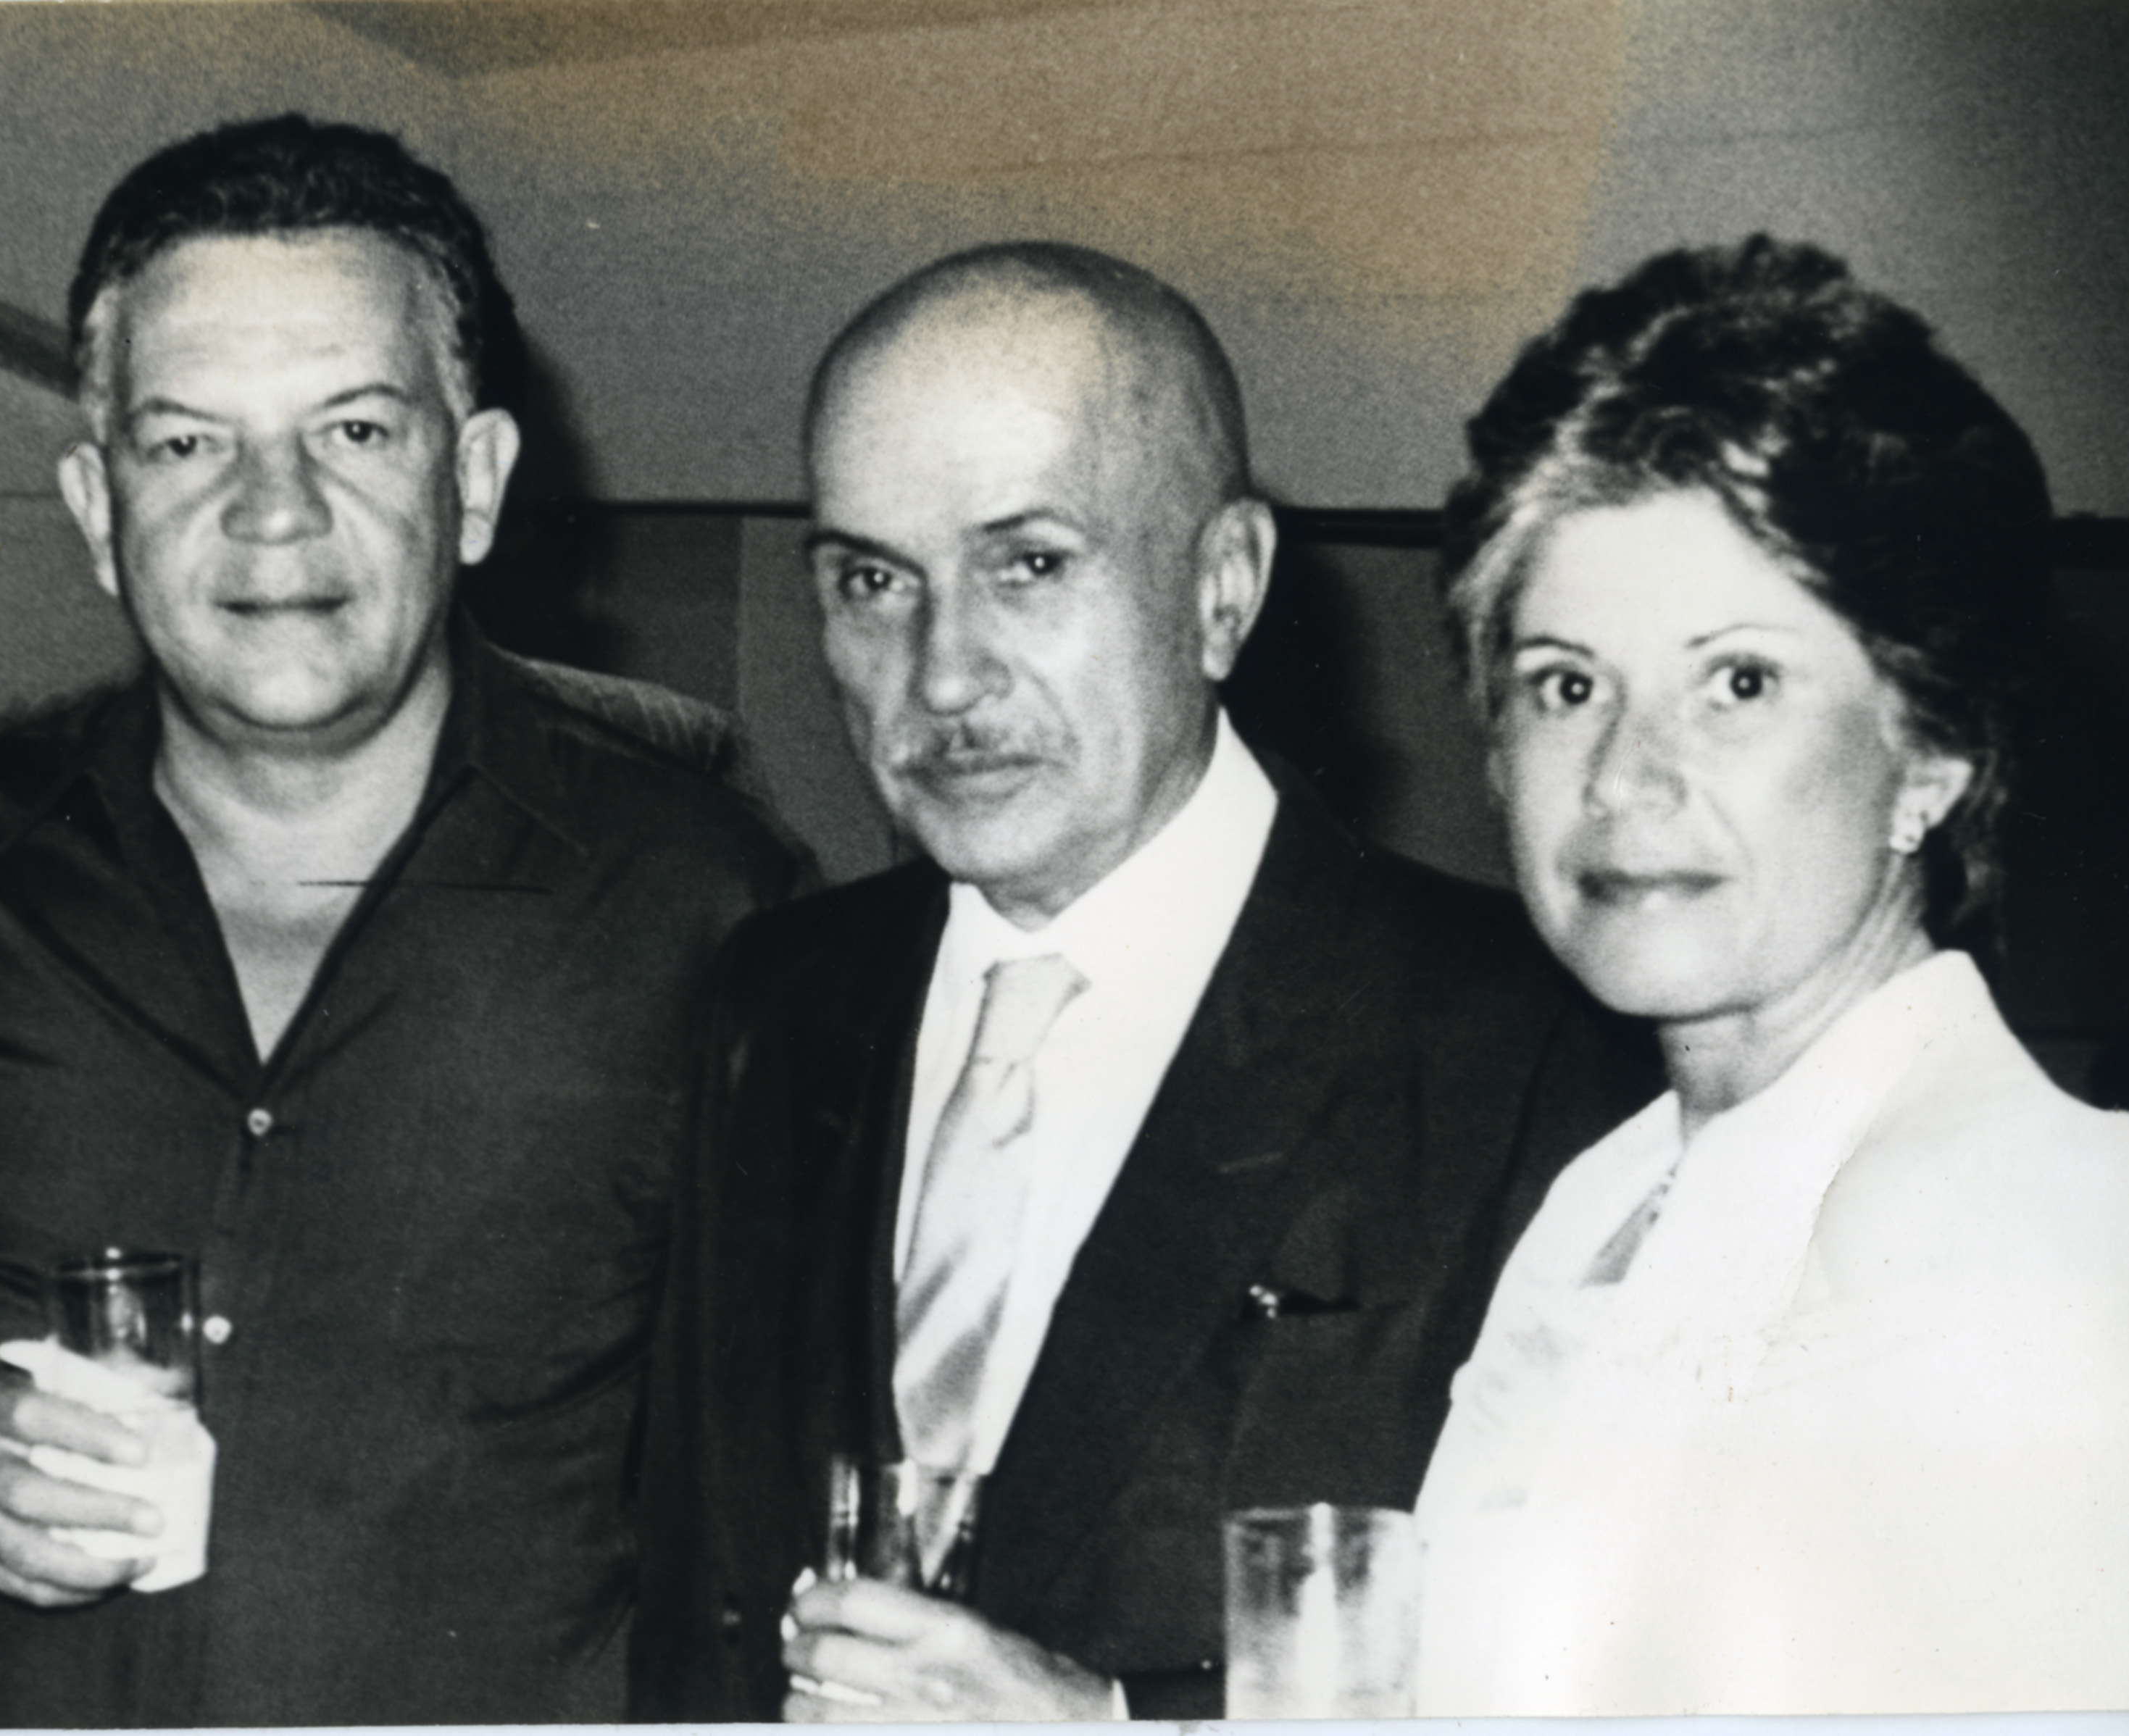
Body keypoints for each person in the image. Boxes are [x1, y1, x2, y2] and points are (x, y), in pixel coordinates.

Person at [0, 114, 809, 1727]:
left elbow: (816, 1451)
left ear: (473, 482)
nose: (274, 513)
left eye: (355, 430)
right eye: (189, 443)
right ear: (94, 503)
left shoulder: (702, 899)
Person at [630, 243, 1654, 1722]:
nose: (940, 673)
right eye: (871, 580)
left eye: (1028, 565)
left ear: (1220, 589)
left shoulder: (1534, 1046)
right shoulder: (773, 999)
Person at [1409, 238, 2129, 1714]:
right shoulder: (1612, 1195)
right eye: (1564, 684)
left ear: (1929, 751)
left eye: (1735, 683)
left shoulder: (2005, 1243)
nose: (1623, 775)